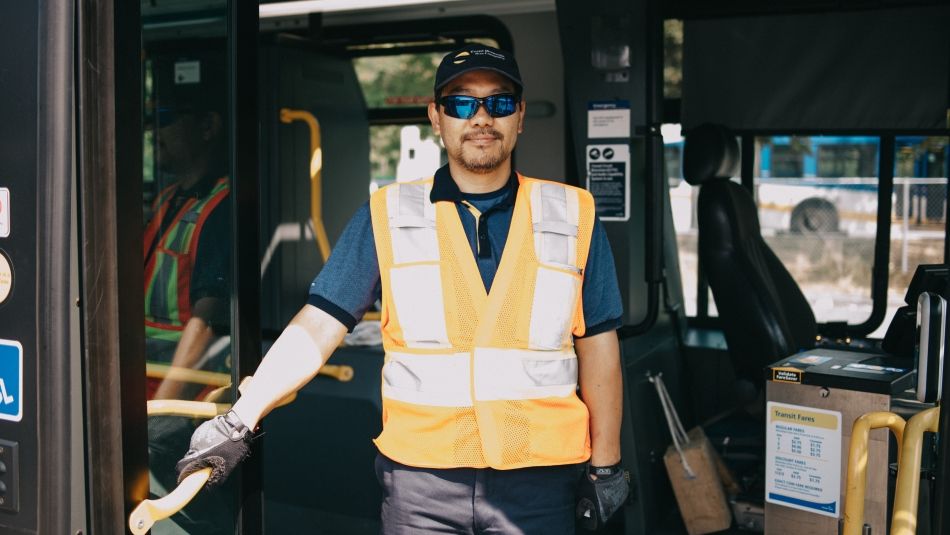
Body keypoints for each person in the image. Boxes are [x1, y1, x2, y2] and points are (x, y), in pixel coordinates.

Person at [177, 44, 628, 533]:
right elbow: (318, 326)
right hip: (421, 486)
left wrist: (607, 466)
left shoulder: (573, 214)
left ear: (519, 117)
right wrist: (240, 418)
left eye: (498, 103)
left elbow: (598, 345)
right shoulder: (386, 214)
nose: (480, 117)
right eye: (460, 103)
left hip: (541, 479)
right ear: (436, 118)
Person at [143, 56, 232, 401]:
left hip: (183, 401)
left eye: (163, 118)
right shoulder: (168, 199)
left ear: (208, 126)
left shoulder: (221, 208)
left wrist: (163, 407)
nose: (152, 131)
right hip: (146, 387)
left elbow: (205, 323)